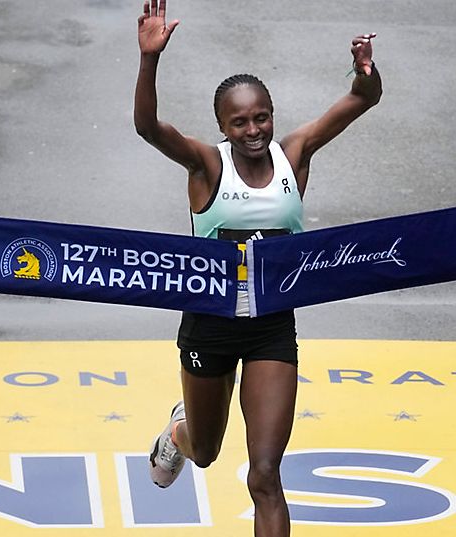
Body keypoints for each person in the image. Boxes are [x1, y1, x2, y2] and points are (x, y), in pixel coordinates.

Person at [133, 0, 381, 534]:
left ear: (273, 113)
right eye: (239, 121)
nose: (253, 130)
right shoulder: (206, 164)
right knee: (205, 451)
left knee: (265, 473)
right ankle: (180, 432)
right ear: (222, 126)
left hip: (272, 327)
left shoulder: (296, 155)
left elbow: (363, 99)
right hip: (209, 325)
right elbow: (148, 127)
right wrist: (150, 60)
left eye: (261, 116)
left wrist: (366, 70)